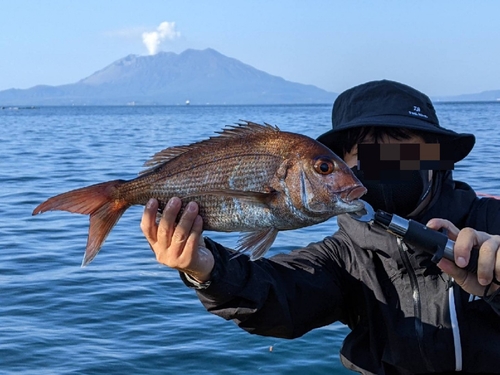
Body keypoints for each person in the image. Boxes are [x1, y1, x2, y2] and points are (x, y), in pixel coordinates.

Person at [140, 80, 500, 374]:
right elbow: (277, 297)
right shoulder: (344, 256)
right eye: (366, 154)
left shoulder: (491, 221)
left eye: (404, 149)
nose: (388, 164)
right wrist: (206, 269)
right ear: (346, 166)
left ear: (436, 158)